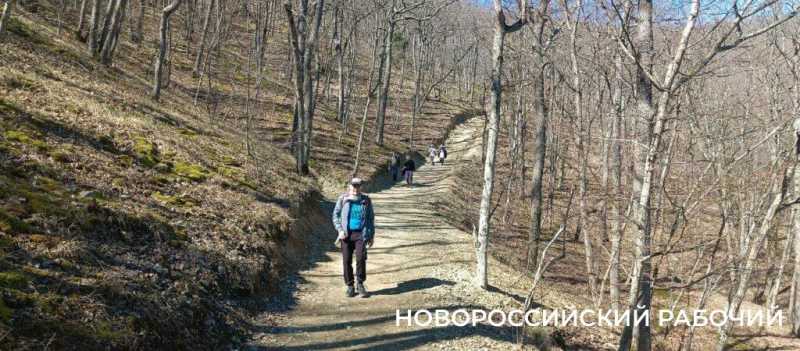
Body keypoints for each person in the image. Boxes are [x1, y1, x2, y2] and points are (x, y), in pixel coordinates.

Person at [332, 178, 375, 298]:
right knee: (346, 261)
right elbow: (335, 215)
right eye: (353, 186)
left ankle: (360, 284)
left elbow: (371, 218)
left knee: (361, 259)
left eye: (358, 186)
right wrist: (340, 230)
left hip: (361, 234)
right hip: (346, 235)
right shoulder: (343, 199)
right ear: (349, 187)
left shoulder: (366, 200)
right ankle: (350, 286)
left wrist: (371, 235)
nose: (356, 189)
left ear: (361, 187)